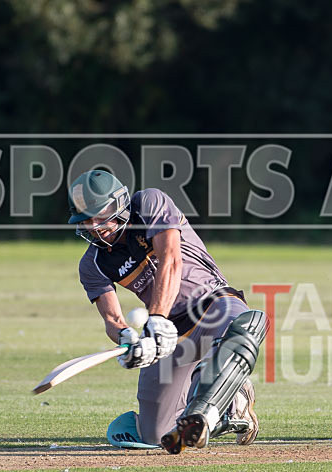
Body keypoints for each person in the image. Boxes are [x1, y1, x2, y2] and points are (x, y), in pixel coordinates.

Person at [67, 169, 268, 454]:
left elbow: (171, 260)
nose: (97, 226)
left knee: (246, 327)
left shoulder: (150, 203)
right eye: (88, 220)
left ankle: (226, 401)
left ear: (121, 204)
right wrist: (127, 339)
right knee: (157, 435)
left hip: (213, 305)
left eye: (103, 216)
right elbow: (111, 319)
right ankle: (225, 409)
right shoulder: (92, 264)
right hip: (169, 335)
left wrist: (156, 319)